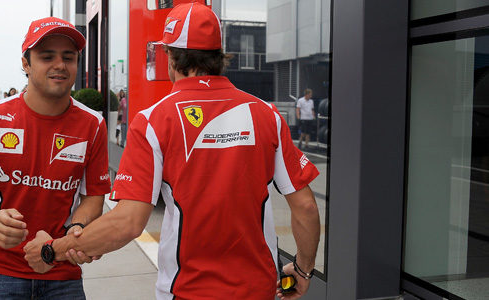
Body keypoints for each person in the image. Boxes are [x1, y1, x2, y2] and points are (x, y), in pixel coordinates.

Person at [23, 4, 321, 300]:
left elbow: (127, 222)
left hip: (187, 291)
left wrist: (52, 250)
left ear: (170, 56)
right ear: (218, 56)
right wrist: (303, 270)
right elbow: (306, 207)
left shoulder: (154, 120)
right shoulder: (266, 114)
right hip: (258, 289)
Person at [0, 17, 111, 299]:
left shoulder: (93, 124)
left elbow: (95, 196)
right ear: (26, 64)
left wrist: (76, 230)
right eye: (47, 57)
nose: (60, 65)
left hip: (62, 271)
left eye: (68, 57)